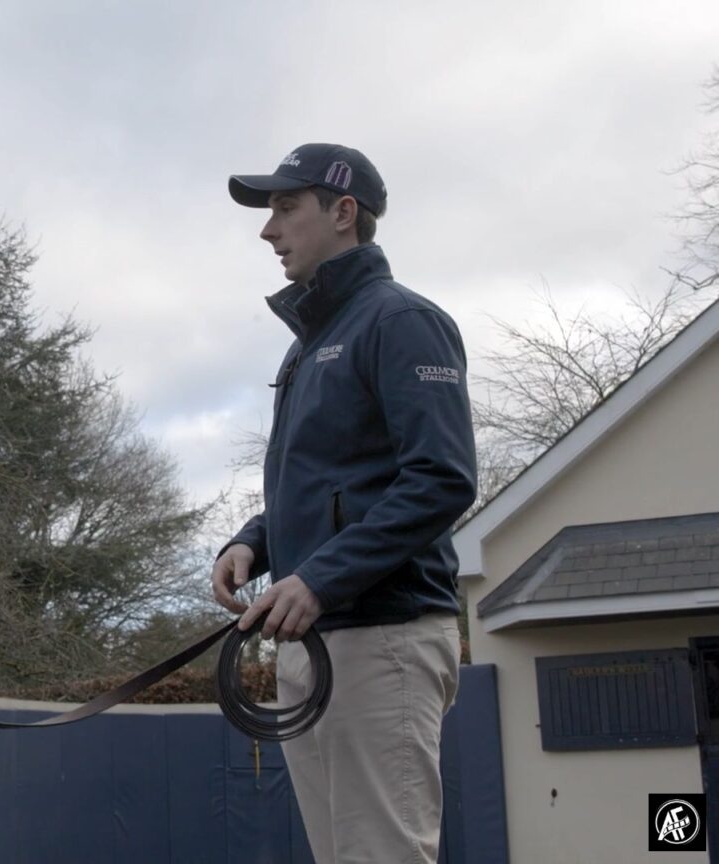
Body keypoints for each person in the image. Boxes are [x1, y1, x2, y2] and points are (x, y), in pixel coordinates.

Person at [210, 143, 477, 864]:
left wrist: (320, 578)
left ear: (344, 213)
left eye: (287, 208)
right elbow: (329, 484)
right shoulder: (306, 349)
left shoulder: (402, 321)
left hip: (383, 640)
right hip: (319, 646)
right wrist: (253, 542)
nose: (270, 230)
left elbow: (442, 479)